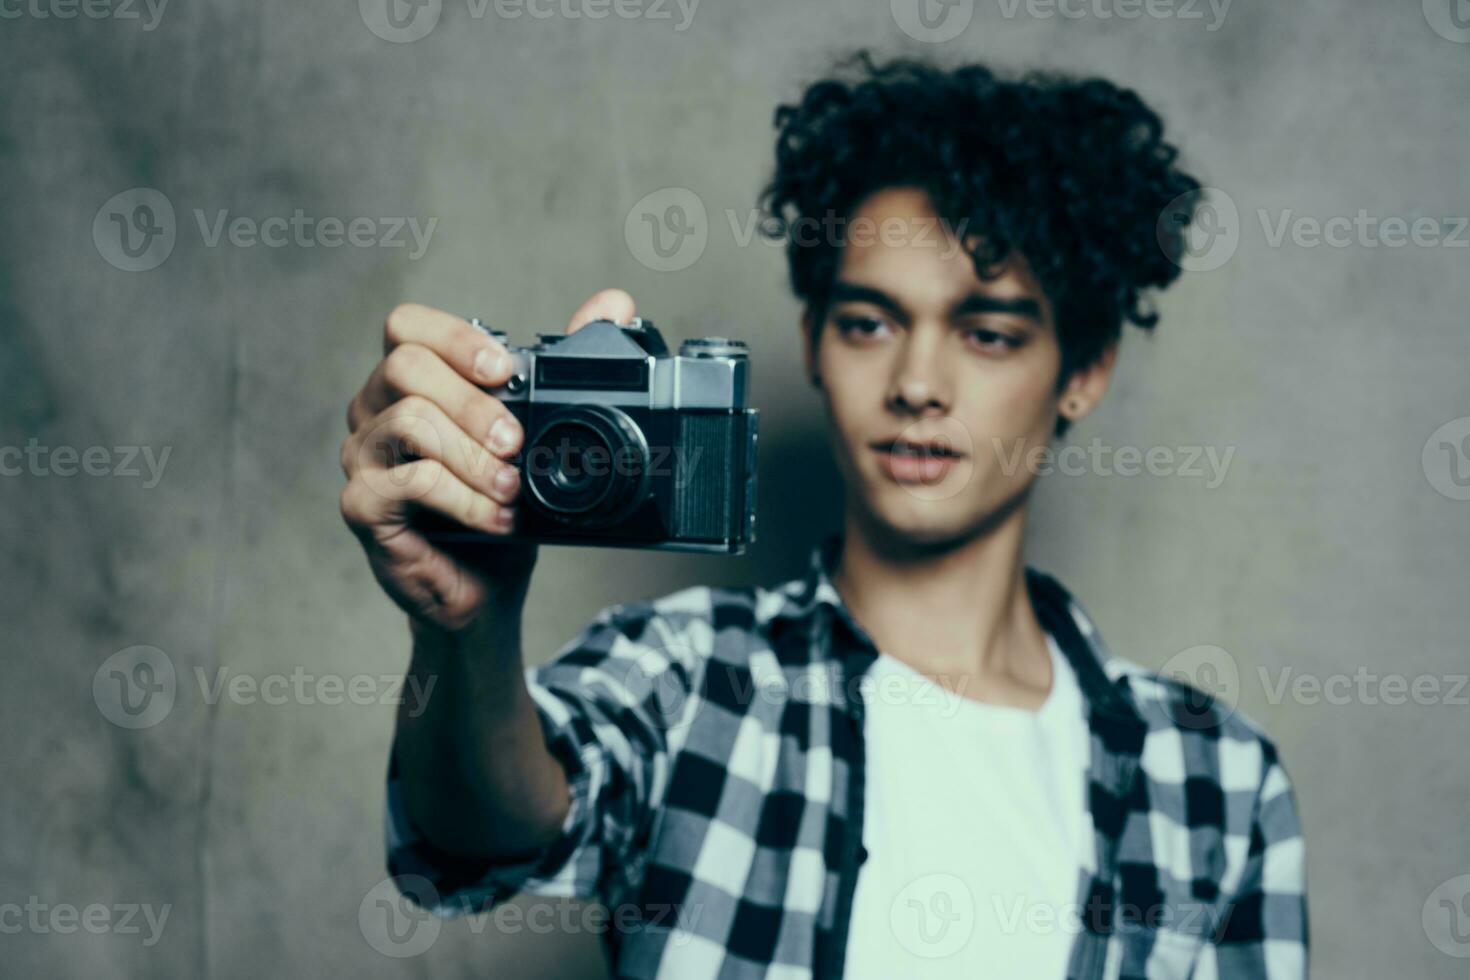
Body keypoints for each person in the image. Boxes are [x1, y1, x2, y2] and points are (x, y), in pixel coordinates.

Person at [340, 52, 1307, 980]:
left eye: (988, 333)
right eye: (869, 323)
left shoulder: (1211, 780)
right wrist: (467, 631)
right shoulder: (692, 675)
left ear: (1083, 372)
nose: (918, 383)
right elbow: (473, 844)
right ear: (811, 342)